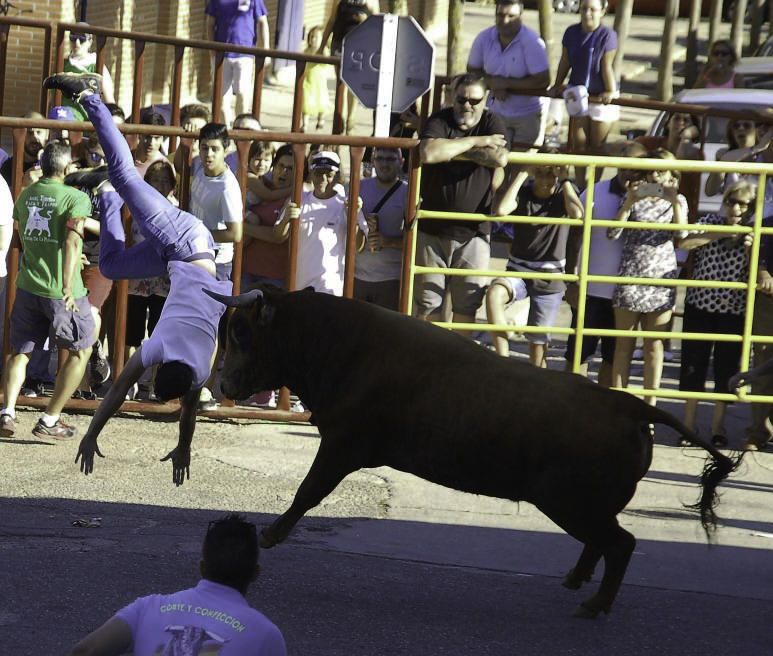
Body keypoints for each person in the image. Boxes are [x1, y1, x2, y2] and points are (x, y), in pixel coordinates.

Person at [42, 72, 232, 482]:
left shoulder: (198, 369)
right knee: (129, 175)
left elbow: (187, 415)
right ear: (164, 368)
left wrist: (184, 447)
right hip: (186, 242)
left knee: (112, 266)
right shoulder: (160, 347)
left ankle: (107, 195)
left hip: (177, 259)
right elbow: (116, 394)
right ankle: (91, 97)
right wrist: (92, 434)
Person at [68, 514, 287, 656]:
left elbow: (86, 651)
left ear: (202, 568)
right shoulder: (266, 635)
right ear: (256, 574)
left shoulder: (148, 608)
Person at [0, 140, 95, 440]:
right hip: (60, 290)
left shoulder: (26, 195)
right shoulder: (75, 198)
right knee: (81, 350)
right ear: (66, 168)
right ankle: (50, 419)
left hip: (29, 285)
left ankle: (7, 412)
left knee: (19, 353)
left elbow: (25, 236)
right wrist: (68, 282)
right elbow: (71, 240)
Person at [415, 73, 509, 331]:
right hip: (432, 231)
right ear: (452, 97)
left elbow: (499, 158)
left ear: (486, 99)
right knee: (428, 306)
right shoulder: (440, 119)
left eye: (474, 100)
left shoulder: (493, 121)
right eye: (461, 99)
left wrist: (453, 147)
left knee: (466, 307)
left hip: (474, 233)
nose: (467, 105)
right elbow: (429, 152)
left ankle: (460, 369)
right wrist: (476, 142)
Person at [607, 149, 688, 407]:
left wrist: (674, 201)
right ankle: (620, 404)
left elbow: (682, 234)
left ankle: (649, 407)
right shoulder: (633, 196)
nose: (655, 176)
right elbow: (612, 233)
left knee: (654, 346)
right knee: (624, 345)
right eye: (651, 170)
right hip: (631, 274)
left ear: (671, 173)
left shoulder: (679, 200)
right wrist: (629, 202)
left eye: (661, 171)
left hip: (660, 280)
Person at [564, 140, 649, 386]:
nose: (629, 173)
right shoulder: (596, 191)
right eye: (624, 166)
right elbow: (575, 236)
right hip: (591, 288)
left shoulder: (652, 199)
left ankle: (602, 412)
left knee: (614, 359)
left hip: (627, 295)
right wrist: (572, 279)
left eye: (636, 168)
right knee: (578, 353)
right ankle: (573, 407)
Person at [677, 181, 754, 448]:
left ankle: (717, 426)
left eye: (743, 204)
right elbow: (685, 243)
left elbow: (759, 268)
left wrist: (748, 246)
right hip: (700, 305)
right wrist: (717, 233)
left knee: (726, 369)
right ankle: (688, 424)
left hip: (733, 310)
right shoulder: (710, 220)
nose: (735, 208)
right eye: (732, 201)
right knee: (692, 365)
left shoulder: (755, 230)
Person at [487, 155, 583, 366]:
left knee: (538, 346)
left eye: (551, 173)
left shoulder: (564, 194)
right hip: (518, 269)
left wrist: (565, 179)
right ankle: (503, 362)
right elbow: (502, 210)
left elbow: (577, 214)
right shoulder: (524, 192)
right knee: (494, 293)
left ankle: (535, 381)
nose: (546, 179)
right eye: (540, 172)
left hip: (550, 276)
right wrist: (523, 171)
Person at [190, 122, 244, 411]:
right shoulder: (199, 169)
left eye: (214, 149)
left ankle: (203, 389)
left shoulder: (227, 187)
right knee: (193, 324)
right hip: (194, 257)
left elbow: (235, 234)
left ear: (227, 151)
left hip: (216, 263)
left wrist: (201, 232)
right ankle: (193, 385)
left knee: (209, 328)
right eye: (204, 148)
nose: (208, 154)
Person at [274, 149, 367, 295]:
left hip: (332, 289)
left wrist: (353, 217)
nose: (323, 178)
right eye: (318, 173)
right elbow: (278, 237)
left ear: (337, 177)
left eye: (329, 174)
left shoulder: (347, 204)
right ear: (311, 174)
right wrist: (286, 219)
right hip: (299, 288)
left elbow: (358, 247)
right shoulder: (298, 200)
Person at [549, 0, 619, 188]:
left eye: (593, 10)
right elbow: (565, 61)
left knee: (597, 145)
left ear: (603, 11)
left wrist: (610, 91)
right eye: (584, 9)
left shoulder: (607, 35)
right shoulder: (571, 32)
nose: (588, 13)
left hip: (600, 94)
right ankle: (580, 186)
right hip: (577, 92)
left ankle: (594, 186)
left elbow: (606, 65)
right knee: (578, 143)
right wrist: (557, 85)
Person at [123, 161, 177, 401]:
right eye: (156, 180)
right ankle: (128, 381)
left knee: (159, 331)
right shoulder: (136, 205)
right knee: (131, 332)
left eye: (166, 180)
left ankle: (156, 381)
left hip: (163, 282)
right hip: (137, 279)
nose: (161, 184)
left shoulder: (176, 208)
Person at [467, 0, 550, 150]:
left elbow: (542, 80)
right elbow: (472, 71)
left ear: (520, 17)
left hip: (527, 114)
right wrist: (492, 82)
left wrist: (505, 84)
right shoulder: (484, 38)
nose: (505, 20)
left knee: (522, 164)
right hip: (495, 111)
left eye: (511, 16)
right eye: (500, 15)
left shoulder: (532, 41)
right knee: (494, 160)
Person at [354, 146, 408, 311]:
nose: (385, 164)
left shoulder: (409, 193)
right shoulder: (357, 187)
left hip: (392, 280)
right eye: (380, 159)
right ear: (372, 162)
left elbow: (419, 240)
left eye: (391, 159)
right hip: (356, 276)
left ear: (401, 162)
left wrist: (389, 242)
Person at [318, 0, 380, 134]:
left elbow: (378, 25)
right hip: (339, 44)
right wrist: (322, 46)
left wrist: (365, 20)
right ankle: (340, 120)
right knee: (341, 84)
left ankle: (350, 122)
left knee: (353, 85)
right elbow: (332, 20)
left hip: (360, 49)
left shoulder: (372, 2)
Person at [206, 0, 270, 127]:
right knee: (221, 98)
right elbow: (209, 24)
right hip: (222, 55)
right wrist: (211, 49)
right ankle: (226, 132)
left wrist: (266, 50)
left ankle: (240, 129)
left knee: (242, 93)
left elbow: (263, 22)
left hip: (245, 54)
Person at [243, 143, 294, 291]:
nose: (283, 172)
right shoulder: (262, 185)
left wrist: (242, 228)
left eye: (290, 169)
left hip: (273, 276)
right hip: (245, 268)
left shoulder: (296, 197)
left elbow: (277, 236)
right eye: (280, 165)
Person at [62, 25, 116, 121]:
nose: (77, 43)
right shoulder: (63, 64)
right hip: (62, 119)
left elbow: (109, 100)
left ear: (90, 42)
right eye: (73, 38)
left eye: (82, 39)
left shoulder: (97, 65)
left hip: (86, 124)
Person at [704, 117, 759, 198]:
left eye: (747, 125)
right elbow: (710, 191)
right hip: (730, 208)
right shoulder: (724, 154)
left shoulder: (763, 156)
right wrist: (721, 166)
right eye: (736, 126)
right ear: (731, 132)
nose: (741, 128)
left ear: (756, 130)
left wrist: (758, 148)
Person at [0, 111, 48, 186]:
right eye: (29, 132)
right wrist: (23, 185)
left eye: (39, 132)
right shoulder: (9, 167)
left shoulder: (52, 164)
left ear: (47, 134)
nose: (34, 137)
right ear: (20, 135)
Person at [302, 25, 331, 133]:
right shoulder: (306, 51)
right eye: (312, 37)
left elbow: (326, 57)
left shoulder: (324, 51)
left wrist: (322, 47)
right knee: (305, 102)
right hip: (307, 81)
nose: (313, 39)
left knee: (321, 101)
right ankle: (305, 123)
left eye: (316, 37)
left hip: (320, 82)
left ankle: (321, 119)